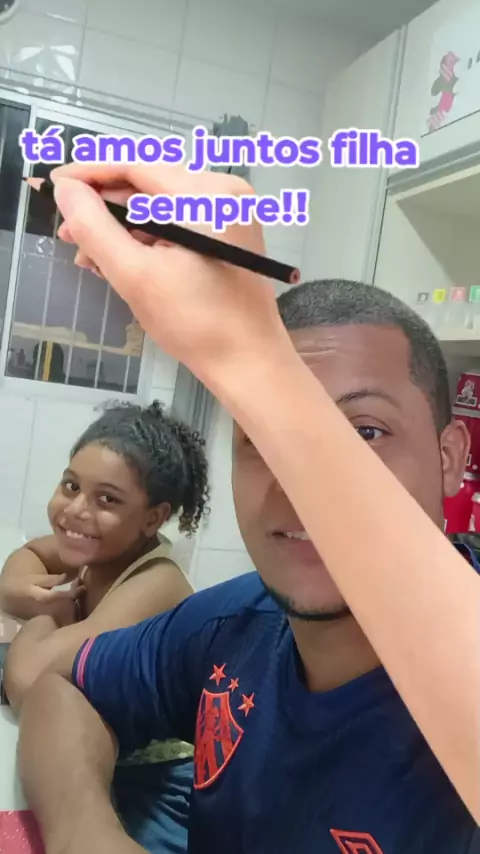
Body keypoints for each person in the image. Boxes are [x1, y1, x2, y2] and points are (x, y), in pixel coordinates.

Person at [16, 163, 480, 854]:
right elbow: (62, 690)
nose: (296, 485)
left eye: (362, 433)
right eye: (260, 438)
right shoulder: (234, 623)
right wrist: (87, 832)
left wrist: (243, 352)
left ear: (450, 455)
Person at [2, 399, 210, 854]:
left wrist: (49, 612)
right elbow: (26, 558)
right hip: (98, 763)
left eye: (107, 500)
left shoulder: (156, 582)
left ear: (153, 518)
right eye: (71, 485)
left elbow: (29, 682)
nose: (76, 510)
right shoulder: (99, 549)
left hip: (159, 793)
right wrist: (34, 591)